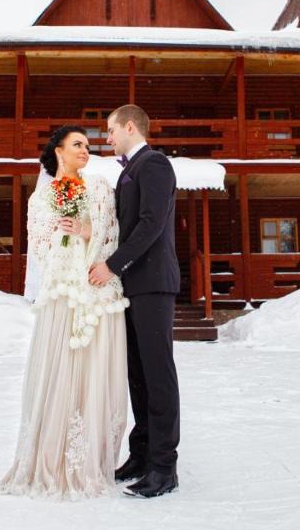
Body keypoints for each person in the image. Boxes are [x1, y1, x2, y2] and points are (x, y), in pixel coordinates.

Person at [0, 126, 128, 500]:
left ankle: (95, 459)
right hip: (63, 293)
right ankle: (53, 458)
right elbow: (39, 247)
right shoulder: (40, 198)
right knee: (62, 370)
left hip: (97, 288)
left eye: (87, 145)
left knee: (96, 372)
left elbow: (112, 234)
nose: (86, 150)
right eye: (78, 145)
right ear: (58, 151)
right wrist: (62, 237)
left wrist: (87, 229)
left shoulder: (100, 187)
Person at [88, 105, 181, 499]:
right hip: (132, 287)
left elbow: (150, 224)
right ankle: (141, 455)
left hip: (154, 285)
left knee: (157, 376)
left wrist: (112, 265)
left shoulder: (154, 164)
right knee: (138, 375)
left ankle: (164, 466)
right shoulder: (128, 170)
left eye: (110, 130)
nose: (106, 138)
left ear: (130, 127)